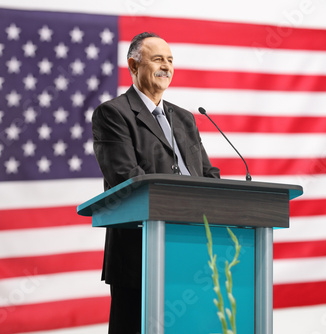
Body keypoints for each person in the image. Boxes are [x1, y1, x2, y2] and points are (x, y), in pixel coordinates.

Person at [92, 32, 220, 334]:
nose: (166, 67)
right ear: (133, 66)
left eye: (171, 60)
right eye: (158, 59)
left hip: (192, 249)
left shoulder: (185, 118)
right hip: (140, 252)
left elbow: (206, 173)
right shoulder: (113, 114)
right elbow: (126, 178)